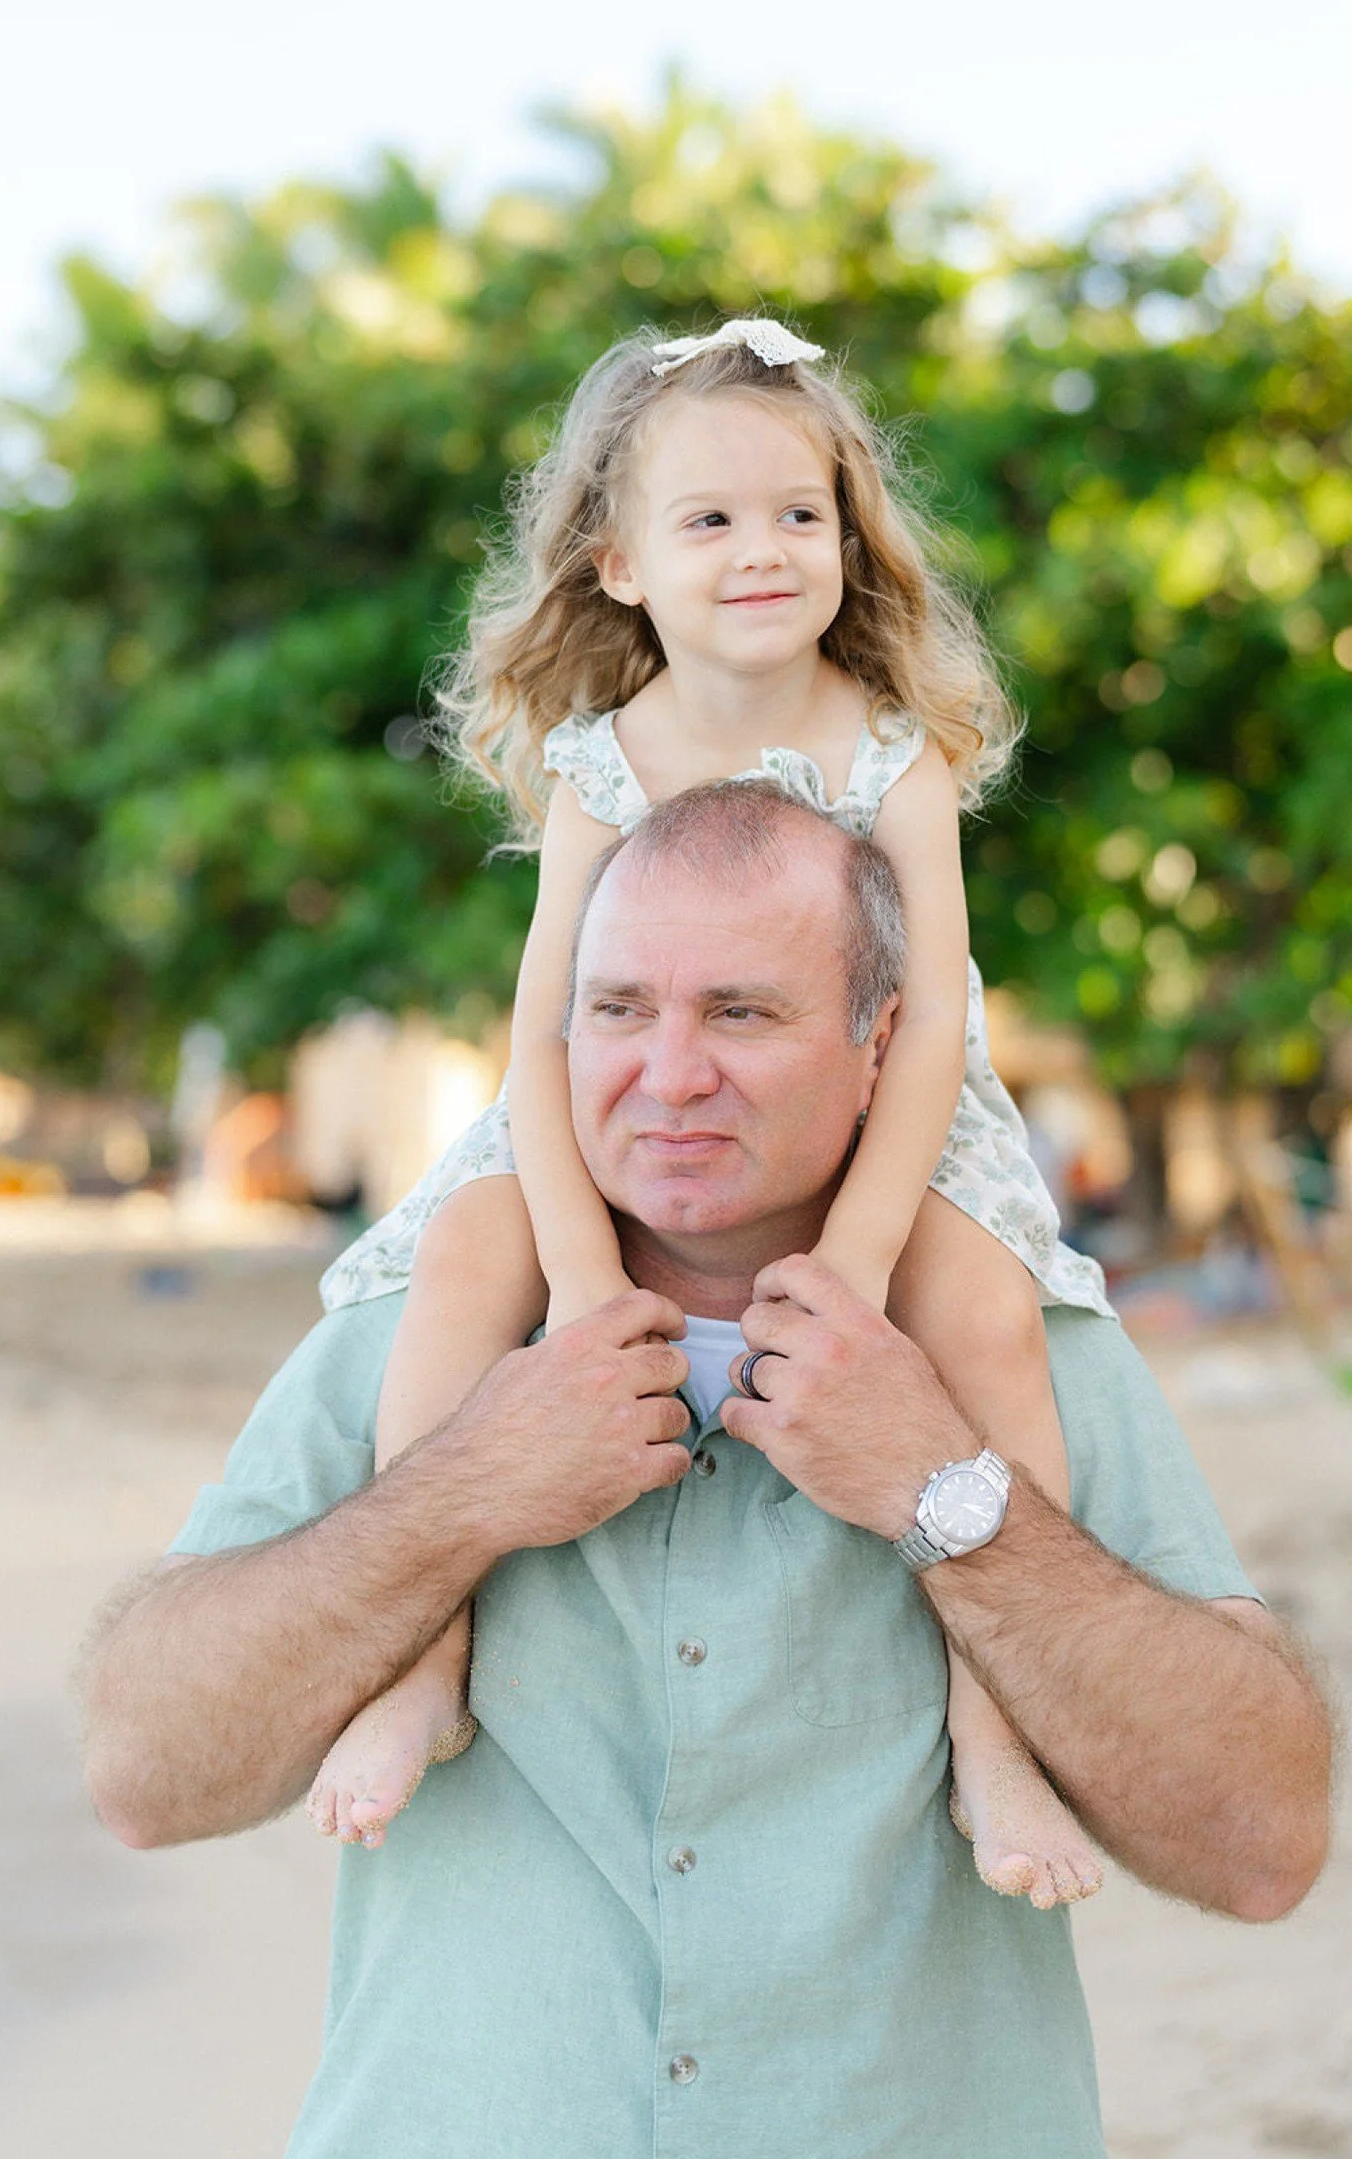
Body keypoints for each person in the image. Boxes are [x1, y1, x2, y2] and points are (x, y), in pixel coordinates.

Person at [82, 783, 1331, 2159]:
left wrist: (945, 1491)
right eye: (619, 1010)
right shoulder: (415, 1333)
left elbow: (1260, 1840)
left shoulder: (1020, 1347)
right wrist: (464, 1487)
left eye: (741, 1012)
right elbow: (147, 1767)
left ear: (883, 1045)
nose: (668, 1074)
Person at [308, 318, 1112, 1905]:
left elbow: (936, 1015)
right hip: (608, 1098)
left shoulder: (894, 758)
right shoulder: (606, 762)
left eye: (799, 514)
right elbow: (547, 1032)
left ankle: (1000, 1721)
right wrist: (585, 1273)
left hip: (895, 1098)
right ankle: (421, 1643)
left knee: (997, 1324)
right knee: (462, 1273)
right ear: (617, 563)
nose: (765, 550)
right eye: (712, 520)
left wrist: (870, 1254)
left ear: (850, 532)